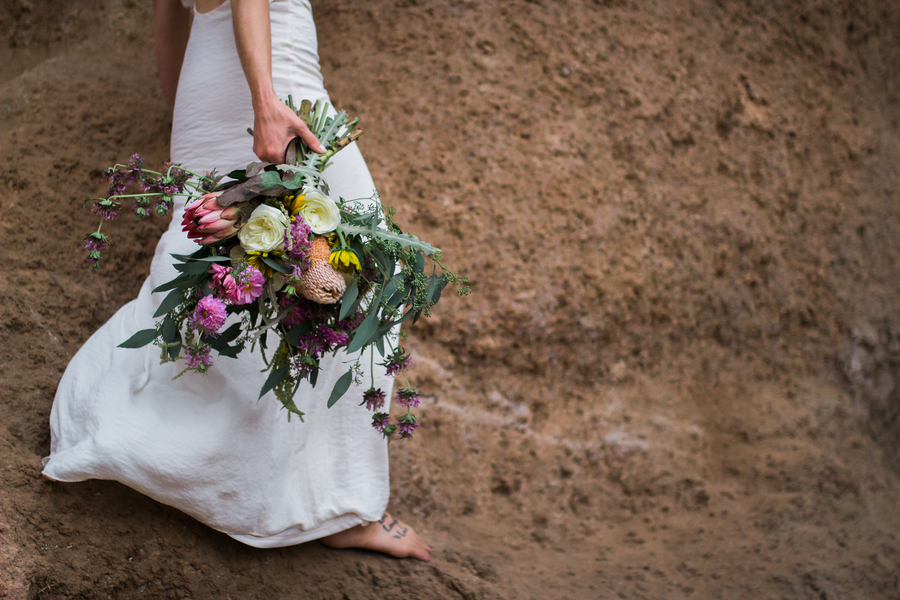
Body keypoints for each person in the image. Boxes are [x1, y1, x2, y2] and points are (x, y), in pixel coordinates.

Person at [42, 0, 431, 561]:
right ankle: (337, 506)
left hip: (206, 92)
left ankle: (276, 480)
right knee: (363, 276)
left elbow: (171, 22)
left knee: (226, 276)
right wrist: (266, 101)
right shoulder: (269, 94)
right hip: (276, 85)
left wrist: (186, 115)